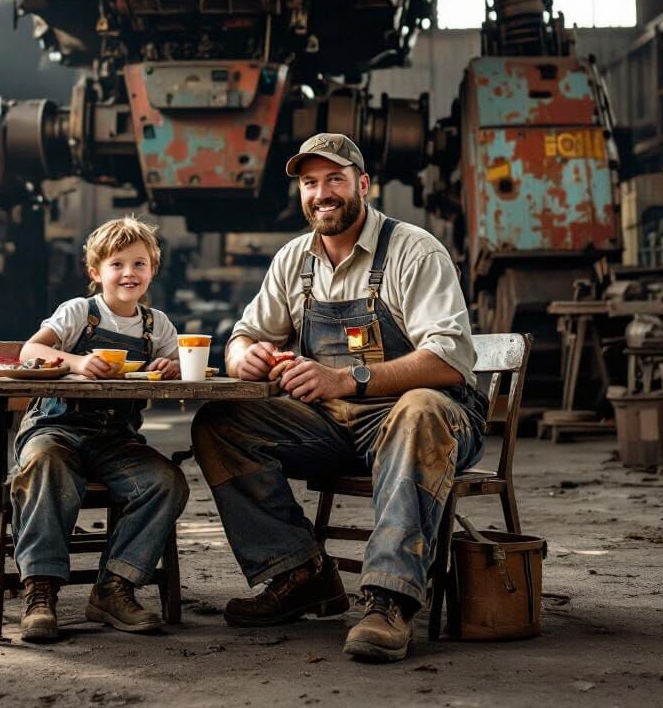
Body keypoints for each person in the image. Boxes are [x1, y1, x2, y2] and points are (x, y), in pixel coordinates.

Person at [191, 133, 488, 663]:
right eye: (309, 183)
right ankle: (299, 574)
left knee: (418, 410)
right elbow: (243, 335)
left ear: (363, 185)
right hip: (332, 425)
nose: (321, 193)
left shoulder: (414, 250)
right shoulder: (293, 260)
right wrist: (245, 358)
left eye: (334, 180)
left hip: (430, 420)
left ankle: (389, 599)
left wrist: (345, 379)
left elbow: (448, 361)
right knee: (222, 422)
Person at [11, 217, 188, 643]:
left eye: (140, 264)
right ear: (96, 273)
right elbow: (29, 350)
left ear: (153, 271)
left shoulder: (156, 325)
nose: (129, 273)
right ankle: (40, 589)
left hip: (115, 439)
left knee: (165, 483)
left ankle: (114, 587)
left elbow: (182, 368)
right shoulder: (79, 313)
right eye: (117, 264)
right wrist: (74, 362)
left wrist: (171, 366)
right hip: (56, 428)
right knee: (45, 467)